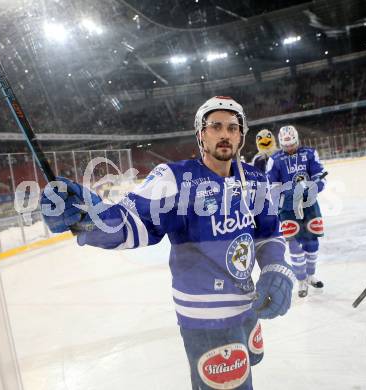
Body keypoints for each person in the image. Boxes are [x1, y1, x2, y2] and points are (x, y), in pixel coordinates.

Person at [40, 96, 294, 390]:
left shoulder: (255, 178)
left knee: (251, 366)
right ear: (201, 134)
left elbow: (267, 233)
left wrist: (276, 266)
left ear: (241, 135)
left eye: (233, 127)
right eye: (215, 126)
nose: (225, 134)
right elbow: (130, 222)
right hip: (207, 317)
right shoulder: (176, 179)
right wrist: (88, 216)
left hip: (247, 306)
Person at [266, 125, 327, 298]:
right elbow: (272, 186)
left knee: (312, 242)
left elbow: (319, 174)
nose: (290, 148)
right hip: (287, 209)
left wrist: (314, 187)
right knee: (294, 244)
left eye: (292, 144)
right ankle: (301, 280)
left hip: (309, 205)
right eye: (286, 146)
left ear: (297, 140)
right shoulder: (275, 160)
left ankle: (310, 275)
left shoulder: (309, 153)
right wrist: (289, 197)